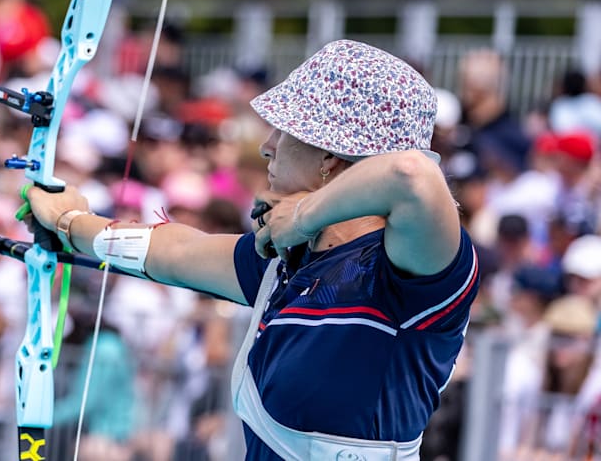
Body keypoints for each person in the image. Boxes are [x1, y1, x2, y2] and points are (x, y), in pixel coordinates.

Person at [26, 39, 478, 460]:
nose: (267, 146)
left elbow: (411, 174)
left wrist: (302, 215)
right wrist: (72, 222)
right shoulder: (289, 261)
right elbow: (179, 251)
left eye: (286, 133)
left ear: (331, 158)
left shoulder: (409, 272)